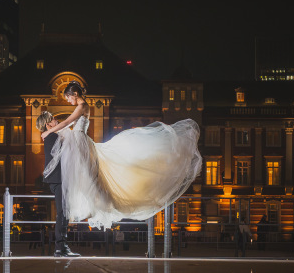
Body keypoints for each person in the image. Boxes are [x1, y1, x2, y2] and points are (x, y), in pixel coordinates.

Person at [41, 82, 202, 229]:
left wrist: (48, 131)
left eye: (68, 98)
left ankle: (101, 204)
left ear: (74, 94)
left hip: (80, 142)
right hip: (78, 141)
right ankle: (97, 203)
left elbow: (66, 122)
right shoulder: (82, 106)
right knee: (86, 175)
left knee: (87, 175)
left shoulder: (82, 106)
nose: (68, 101)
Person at [37, 111, 79, 257]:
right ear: (49, 124)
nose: (56, 122)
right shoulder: (52, 136)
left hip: (57, 179)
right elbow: (64, 155)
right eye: (54, 120)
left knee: (64, 212)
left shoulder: (51, 136)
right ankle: (61, 247)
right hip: (58, 179)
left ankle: (62, 247)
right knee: (62, 212)